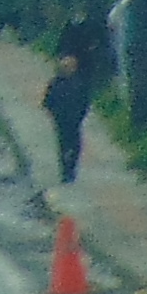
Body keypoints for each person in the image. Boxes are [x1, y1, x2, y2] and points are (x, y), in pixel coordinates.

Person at [40, 15, 101, 186]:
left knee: (73, 140)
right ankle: (65, 169)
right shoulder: (56, 83)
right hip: (61, 118)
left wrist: (80, 114)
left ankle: (71, 167)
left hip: (73, 118)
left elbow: (84, 102)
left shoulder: (80, 85)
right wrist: (53, 111)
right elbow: (48, 100)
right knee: (62, 141)